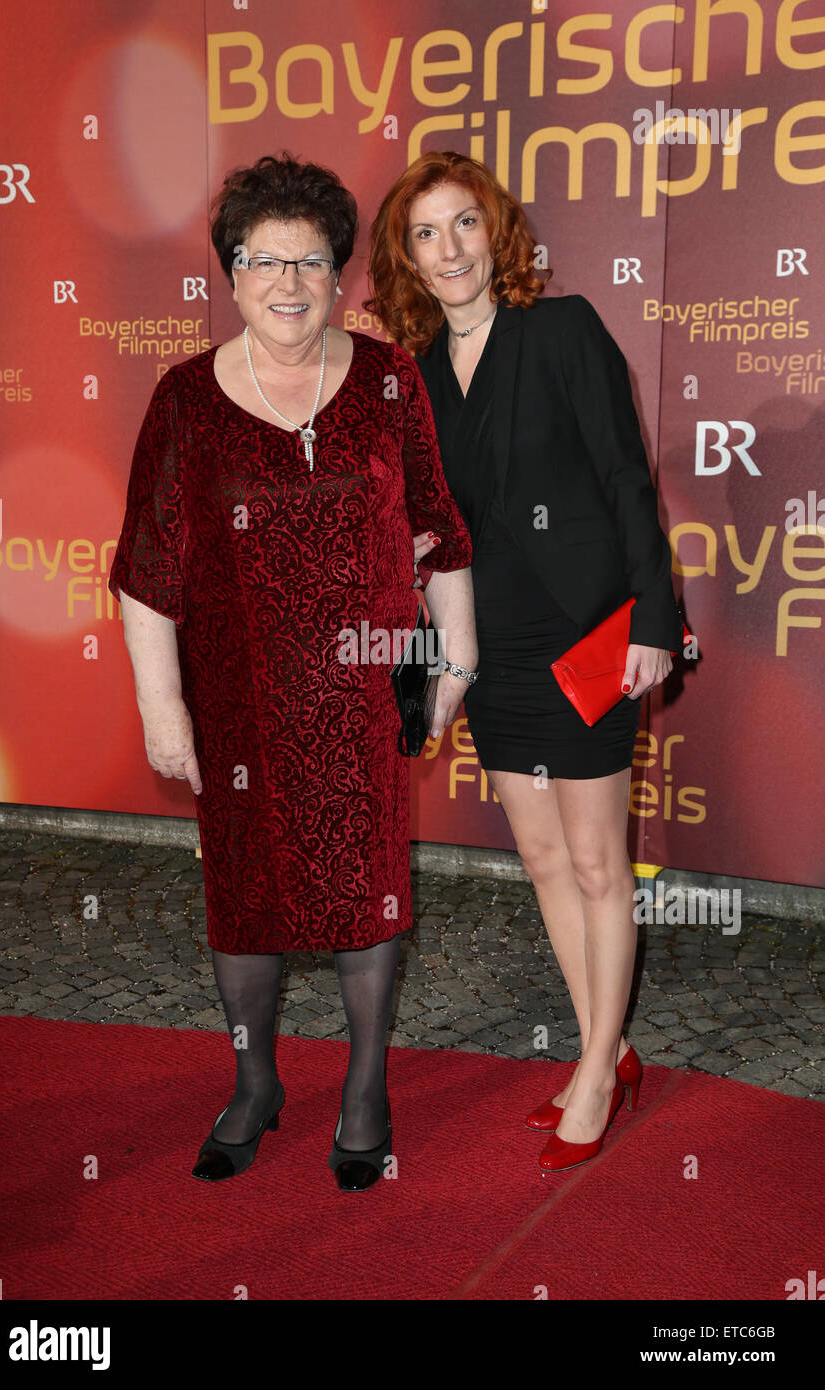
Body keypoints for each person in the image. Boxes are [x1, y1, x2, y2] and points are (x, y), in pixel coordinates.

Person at [108, 153, 476, 1192]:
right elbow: (144, 575)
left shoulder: (391, 378)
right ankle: (254, 1083)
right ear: (229, 274)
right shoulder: (183, 399)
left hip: (362, 697)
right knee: (246, 902)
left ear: (339, 274)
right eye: (263, 260)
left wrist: (454, 658)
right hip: (238, 709)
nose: (287, 282)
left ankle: (365, 1091)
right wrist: (161, 706)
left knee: (365, 898)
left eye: (310, 260)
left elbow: (441, 533)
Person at [366, 151, 683, 1173]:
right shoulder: (413, 377)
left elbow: (626, 481)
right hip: (488, 646)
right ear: (406, 259)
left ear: (494, 236)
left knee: (595, 862)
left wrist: (652, 622)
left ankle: (593, 1067)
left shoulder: (561, 330)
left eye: (463, 224)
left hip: (584, 636)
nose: (447, 248)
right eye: (425, 233)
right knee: (542, 860)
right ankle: (610, 1044)